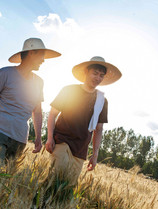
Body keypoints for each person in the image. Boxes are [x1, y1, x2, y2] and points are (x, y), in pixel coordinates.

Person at [0, 38, 61, 162]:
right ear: (31, 53)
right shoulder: (5, 73)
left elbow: (37, 112)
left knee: (7, 178)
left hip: (20, 139)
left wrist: (38, 138)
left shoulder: (39, 82)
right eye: (41, 55)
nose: (43, 60)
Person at [45, 56, 122, 185]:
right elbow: (52, 114)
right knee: (53, 180)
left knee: (67, 187)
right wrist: (49, 138)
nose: (98, 78)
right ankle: (38, 205)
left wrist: (95, 154)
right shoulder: (69, 90)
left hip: (81, 149)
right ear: (86, 72)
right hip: (61, 141)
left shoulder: (102, 101)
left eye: (101, 75)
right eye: (95, 73)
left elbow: (99, 128)